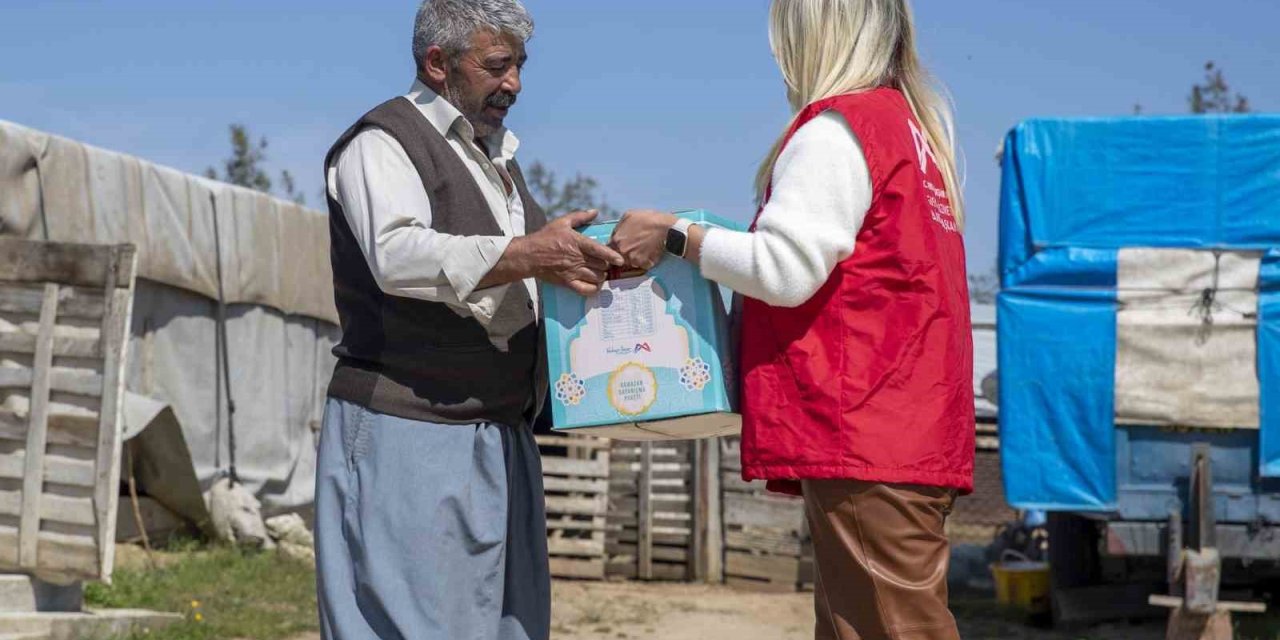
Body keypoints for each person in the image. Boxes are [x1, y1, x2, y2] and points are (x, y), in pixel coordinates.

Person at [610, 1, 975, 638]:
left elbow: (784, 269)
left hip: (864, 431)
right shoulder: (911, 134)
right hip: (907, 425)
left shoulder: (839, 131)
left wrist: (675, 234)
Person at [313, 1, 623, 639]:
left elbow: (524, 277)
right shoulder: (382, 143)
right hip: (410, 432)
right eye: (497, 65)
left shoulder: (499, 162)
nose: (514, 83)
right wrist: (527, 254)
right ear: (437, 62)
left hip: (498, 434)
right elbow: (396, 256)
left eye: (519, 66)